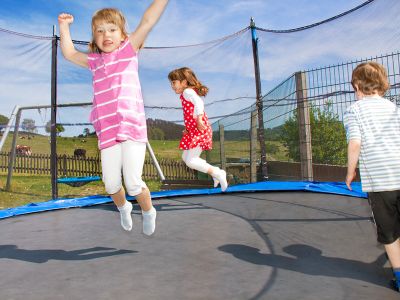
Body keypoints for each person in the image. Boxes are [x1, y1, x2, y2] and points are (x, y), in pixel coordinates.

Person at [58, 1, 169, 236]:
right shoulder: (94, 62)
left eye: (111, 29)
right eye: (99, 30)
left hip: (132, 127)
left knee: (133, 182)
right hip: (107, 130)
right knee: (110, 184)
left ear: (122, 35)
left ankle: (149, 211)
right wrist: (64, 26)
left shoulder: (129, 50)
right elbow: (68, 53)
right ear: (94, 38)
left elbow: (148, 20)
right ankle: (124, 207)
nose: (105, 34)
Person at [344, 61, 400, 291]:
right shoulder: (394, 108)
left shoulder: (353, 110)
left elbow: (355, 143)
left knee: (390, 233)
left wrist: (350, 171)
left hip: (381, 183)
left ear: (357, 86)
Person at [168, 67, 228, 191]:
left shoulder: (187, 92)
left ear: (184, 82)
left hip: (200, 130)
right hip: (194, 130)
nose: (172, 86)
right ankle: (215, 173)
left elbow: (199, 103)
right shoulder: (187, 93)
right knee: (186, 158)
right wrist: (188, 128)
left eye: (174, 82)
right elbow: (191, 112)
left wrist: (199, 118)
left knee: (191, 161)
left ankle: (218, 173)